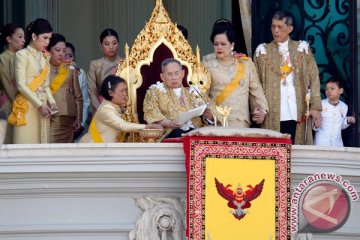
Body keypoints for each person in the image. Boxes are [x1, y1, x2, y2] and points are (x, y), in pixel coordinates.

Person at [253, 10, 322, 145]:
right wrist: (257, 108)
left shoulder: (302, 49)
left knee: (298, 155)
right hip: (273, 112)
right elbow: (255, 84)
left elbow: (314, 78)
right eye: (273, 26)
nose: (276, 31)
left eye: (280, 27)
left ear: (290, 29)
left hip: (297, 110)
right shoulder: (262, 51)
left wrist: (315, 107)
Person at [202, 19, 268, 128]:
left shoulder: (246, 64)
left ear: (232, 44)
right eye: (216, 44)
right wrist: (208, 114)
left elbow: (256, 90)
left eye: (223, 44)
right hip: (216, 123)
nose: (219, 47)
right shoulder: (206, 64)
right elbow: (201, 95)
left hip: (240, 122)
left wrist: (262, 110)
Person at [8, 18, 57, 144]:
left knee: (42, 148)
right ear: (34, 36)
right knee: (25, 144)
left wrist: (52, 102)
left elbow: (46, 85)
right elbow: (20, 85)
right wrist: (39, 104)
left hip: (43, 106)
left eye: (49, 38)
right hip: (27, 105)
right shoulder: (21, 55)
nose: (48, 42)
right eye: (45, 38)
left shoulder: (45, 58)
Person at [80, 75, 162, 143]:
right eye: (122, 91)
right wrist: (148, 127)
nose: (125, 94)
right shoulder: (106, 109)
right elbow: (124, 126)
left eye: (126, 90)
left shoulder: (115, 106)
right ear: (111, 93)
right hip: (93, 149)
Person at [143, 58, 205, 138]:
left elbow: (207, 112)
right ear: (162, 76)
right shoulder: (154, 92)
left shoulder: (193, 92)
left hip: (195, 131)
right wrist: (169, 123)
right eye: (169, 74)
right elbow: (152, 114)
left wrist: (209, 116)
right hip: (170, 132)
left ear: (182, 74)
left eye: (176, 73)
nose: (174, 78)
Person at [48, 33, 83, 143]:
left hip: (69, 120)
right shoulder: (42, 68)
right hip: (51, 118)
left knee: (67, 154)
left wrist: (79, 118)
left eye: (63, 51)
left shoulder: (70, 68)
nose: (61, 54)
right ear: (49, 50)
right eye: (57, 50)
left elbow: (78, 96)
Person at [0, 23, 25, 143]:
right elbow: (8, 84)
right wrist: (19, 103)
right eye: (20, 37)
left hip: (22, 105)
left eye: (24, 37)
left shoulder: (21, 57)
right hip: (9, 106)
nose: (23, 40)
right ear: (9, 39)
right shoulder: (3, 58)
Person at [314, 78, 356, 147]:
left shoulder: (344, 106)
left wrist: (347, 121)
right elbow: (314, 123)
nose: (328, 91)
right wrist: (315, 124)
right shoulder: (321, 104)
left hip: (337, 144)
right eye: (326, 89)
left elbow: (341, 125)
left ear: (341, 91)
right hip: (321, 143)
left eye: (332, 88)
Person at [87, 28, 122, 111]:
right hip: (100, 106)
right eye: (107, 44)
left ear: (118, 44)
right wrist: (101, 110)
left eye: (114, 43)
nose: (111, 47)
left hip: (121, 108)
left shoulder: (125, 63)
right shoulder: (95, 65)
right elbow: (92, 91)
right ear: (101, 45)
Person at [65, 41, 91, 140]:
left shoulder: (80, 74)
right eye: (64, 55)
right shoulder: (53, 73)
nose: (67, 59)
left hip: (77, 120)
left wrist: (82, 123)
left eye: (70, 56)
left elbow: (85, 101)